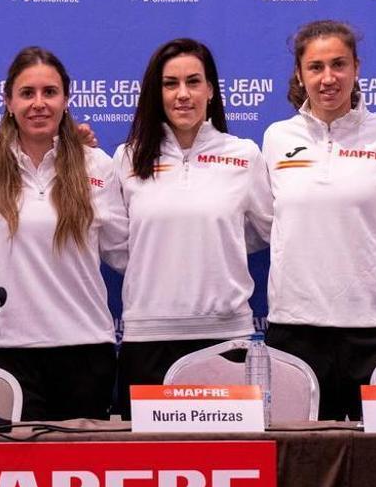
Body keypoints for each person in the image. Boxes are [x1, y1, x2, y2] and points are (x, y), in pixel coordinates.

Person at [261, 20, 376, 421]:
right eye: (315, 67)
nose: (328, 78)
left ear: (357, 68)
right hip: (296, 328)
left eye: (338, 64)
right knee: (302, 467)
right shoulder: (276, 137)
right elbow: (265, 221)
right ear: (299, 74)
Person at [0, 47, 127, 421]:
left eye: (50, 92)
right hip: (8, 350)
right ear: (7, 102)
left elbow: (124, 251)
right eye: (27, 93)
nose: (39, 103)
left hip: (85, 348)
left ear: (66, 100)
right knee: (15, 476)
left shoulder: (97, 165)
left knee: (82, 473)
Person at [113, 39, 273, 416]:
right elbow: (118, 245)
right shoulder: (128, 157)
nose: (182, 95)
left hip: (225, 337)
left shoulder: (244, 155)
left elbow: (268, 232)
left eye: (193, 82)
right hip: (147, 338)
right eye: (170, 84)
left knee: (230, 462)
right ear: (157, 92)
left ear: (211, 90)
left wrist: (216, 249)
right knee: (148, 466)